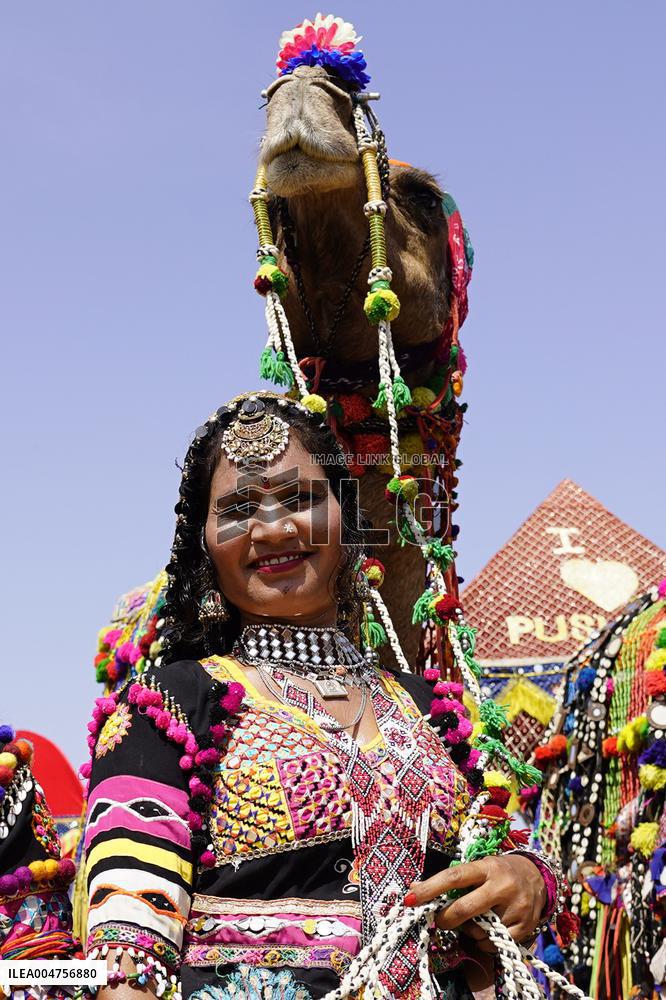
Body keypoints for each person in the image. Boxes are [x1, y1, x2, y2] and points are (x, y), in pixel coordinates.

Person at [82, 391, 556, 1000]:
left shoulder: (429, 708)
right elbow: (124, 958)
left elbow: (505, 853)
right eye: (236, 508)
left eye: (301, 499)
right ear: (203, 543)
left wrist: (525, 878)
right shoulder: (171, 704)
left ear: (346, 514)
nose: (274, 529)